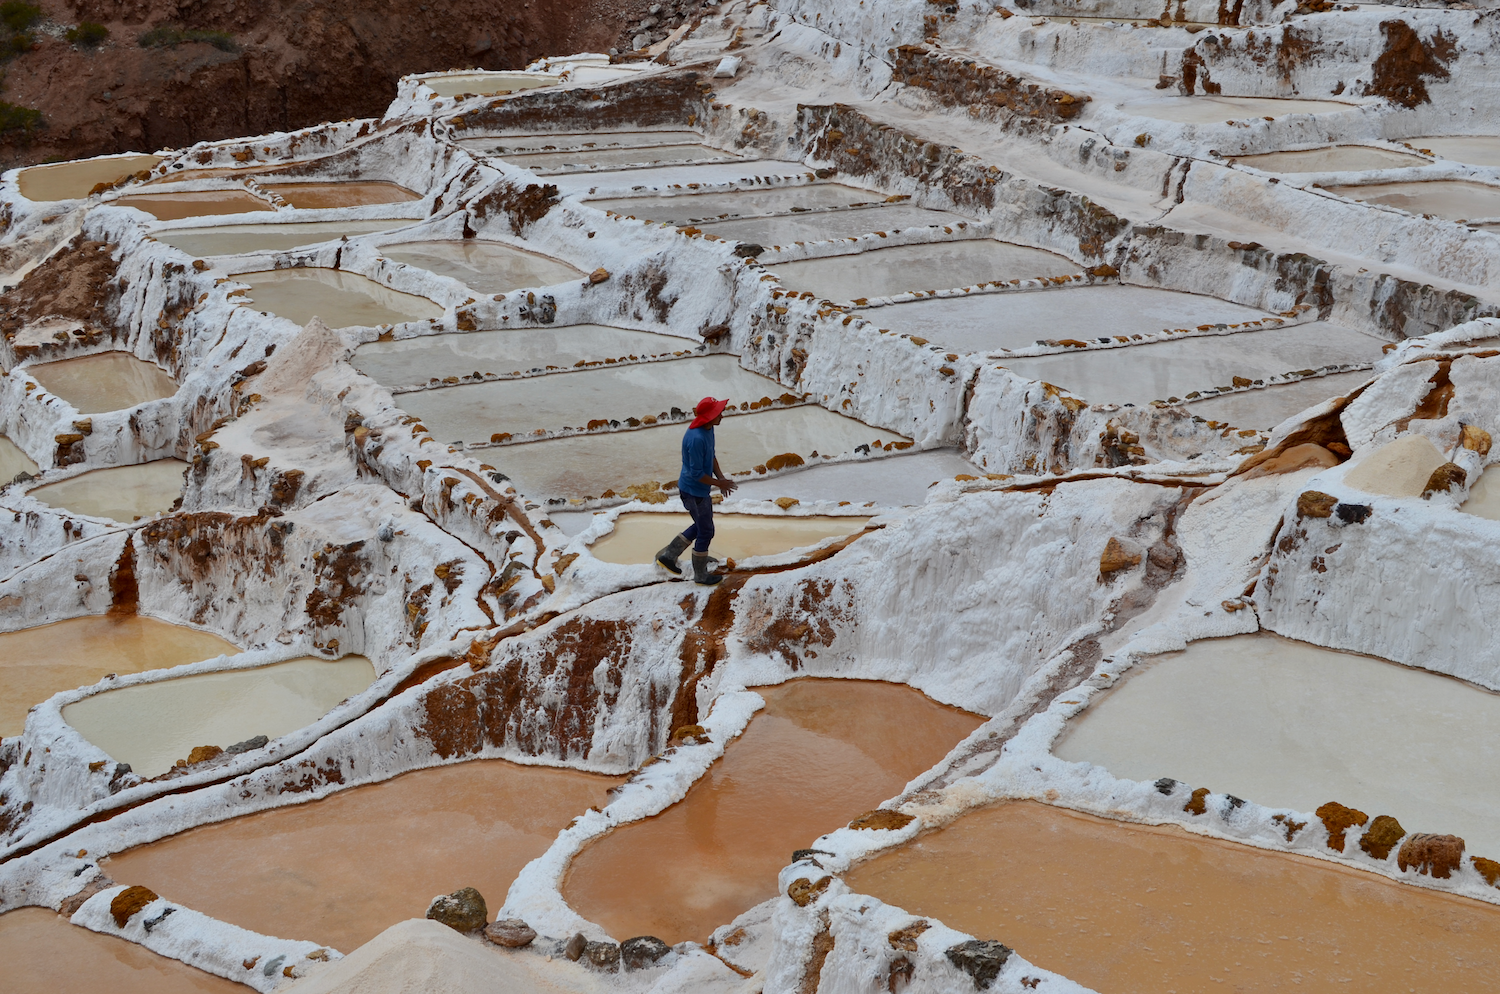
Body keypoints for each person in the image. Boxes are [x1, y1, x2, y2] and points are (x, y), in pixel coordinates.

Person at [656, 396, 738, 584]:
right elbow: (696, 474)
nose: (722, 416)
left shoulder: (708, 430)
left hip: (700, 491)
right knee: (706, 531)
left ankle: (670, 556)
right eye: (718, 413)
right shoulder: (696, 438)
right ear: (709, 417)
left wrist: (721, 478)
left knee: (701, 526)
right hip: (694, 492)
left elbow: (712, 457)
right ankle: (700, 574)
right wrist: (720, 485)